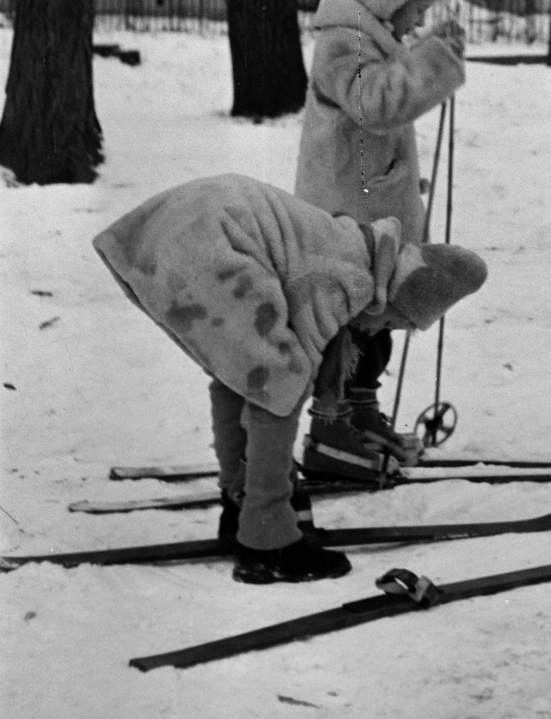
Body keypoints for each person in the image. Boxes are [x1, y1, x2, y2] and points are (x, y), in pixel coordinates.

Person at [93, 172, 486, 584]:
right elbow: (287, 381)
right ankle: (267, 540)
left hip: (178, 231)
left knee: (243, 376)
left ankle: (242, 505)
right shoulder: (348, 278)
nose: (376, 331)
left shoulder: (355, 249)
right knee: (281, 382)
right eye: (395, 322)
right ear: (398, 296)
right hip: (213, 237)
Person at [294, 0, 466, 481]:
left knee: (373, 325)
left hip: (371, 214)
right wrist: (431, 64)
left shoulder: (372, 42)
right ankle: (329, 425)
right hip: (343, 218)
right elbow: (376, 105)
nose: (419, 18)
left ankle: (360, 414)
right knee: (346, 324)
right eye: (417, 4)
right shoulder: (344, 45)